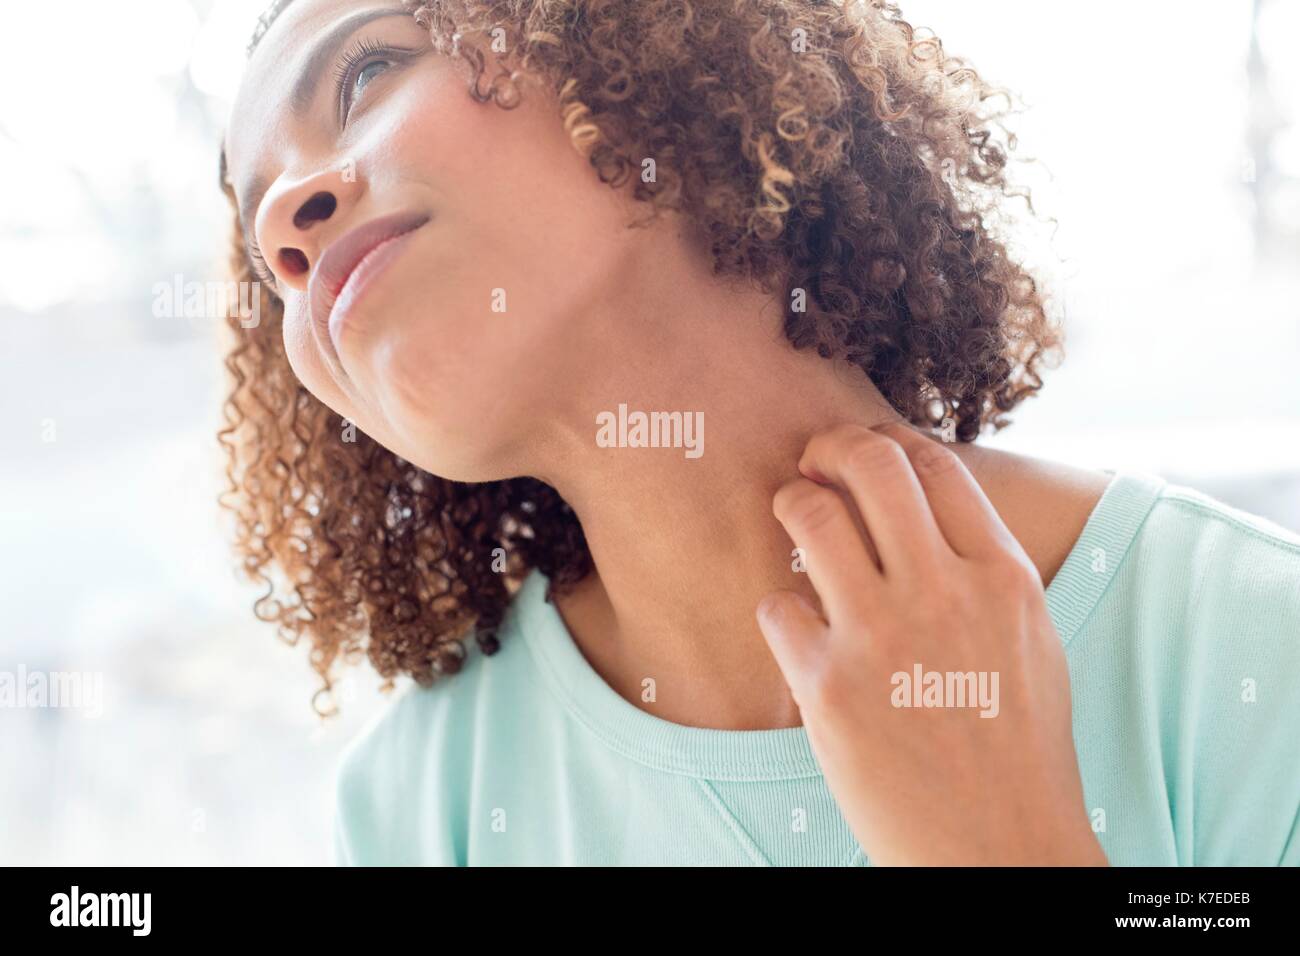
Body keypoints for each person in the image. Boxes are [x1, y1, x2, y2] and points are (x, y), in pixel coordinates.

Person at [216, 0, 1300, 865]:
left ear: (626, 47)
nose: (282, 228)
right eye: (266, 257)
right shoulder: (417, 806)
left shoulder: (1249, 649)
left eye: (365, 75)